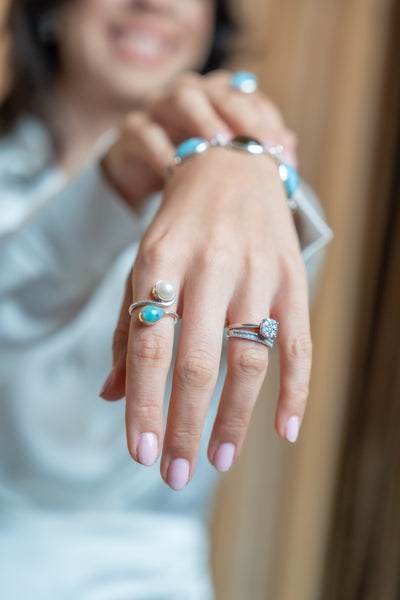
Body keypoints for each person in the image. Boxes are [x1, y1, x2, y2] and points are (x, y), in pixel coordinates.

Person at [0, 0, 332, 598]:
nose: (153, 2)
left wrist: (241, 163)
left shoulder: (257, 198)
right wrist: (114, 183)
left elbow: (285, 281)